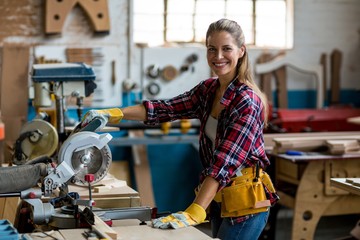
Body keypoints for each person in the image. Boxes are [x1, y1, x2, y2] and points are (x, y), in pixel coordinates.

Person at [81, 18, 279, 240]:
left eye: (226, 49)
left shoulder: (247, 101)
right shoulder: (208, 90)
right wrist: (114, 113)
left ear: (241, 51)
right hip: (220, 199)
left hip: (246, 204)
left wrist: (195, 209)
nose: (218, 57)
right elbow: (165, 108)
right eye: (212, 49)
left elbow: (224, 162)